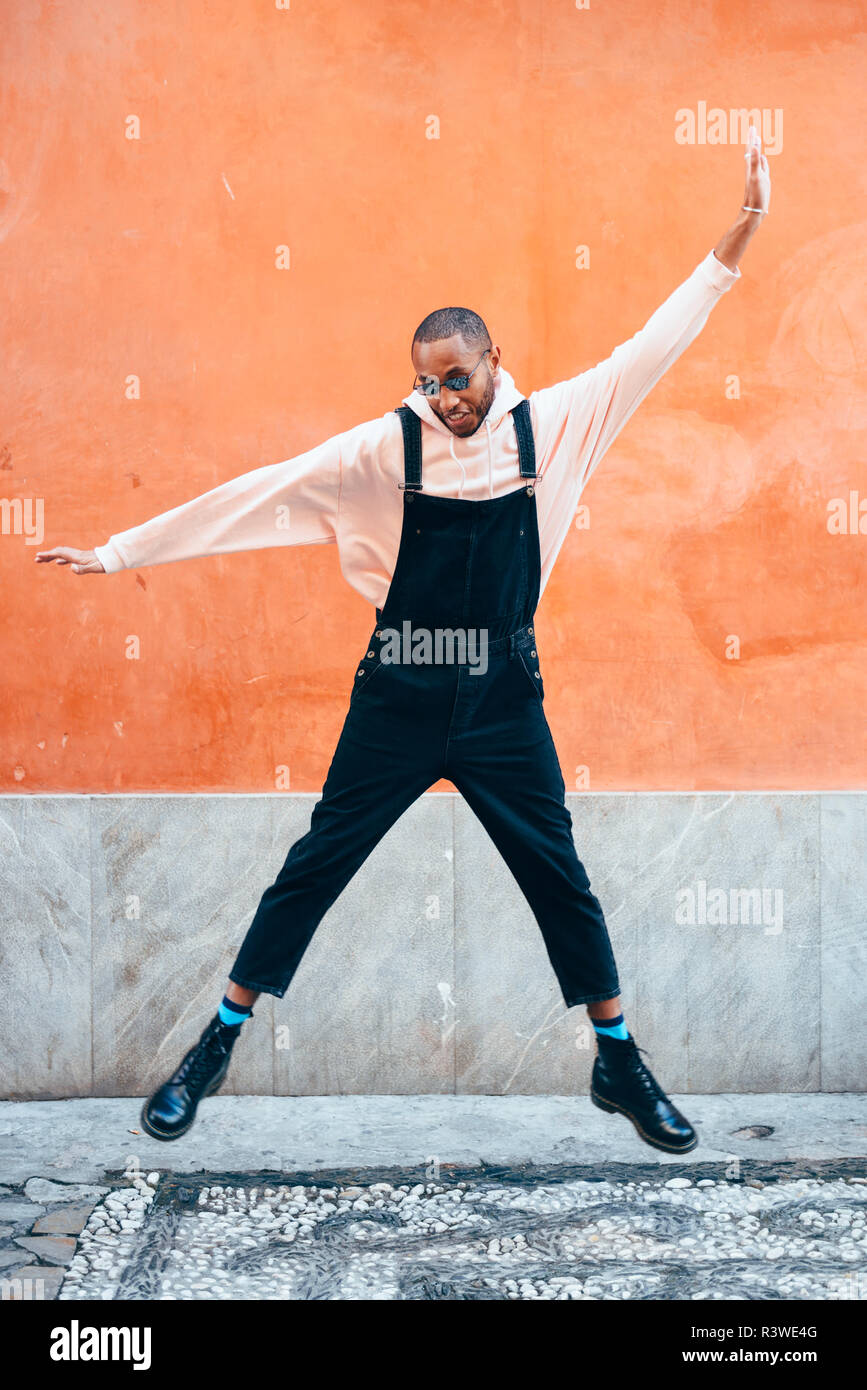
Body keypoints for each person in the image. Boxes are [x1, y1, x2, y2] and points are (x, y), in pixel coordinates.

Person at [37, 130, 770, 1154]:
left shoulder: (557, 426)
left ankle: (618, 1061)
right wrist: (120, 552)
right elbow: (263, 494)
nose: (446, 398)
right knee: (315, 864)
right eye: (430, 383)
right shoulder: (383, 447)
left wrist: (746, 224)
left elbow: (659, 339)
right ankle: (213, 1046)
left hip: (503, 697)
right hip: (401, 691)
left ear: (494, 360)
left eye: (459, 377)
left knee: (559, 874)